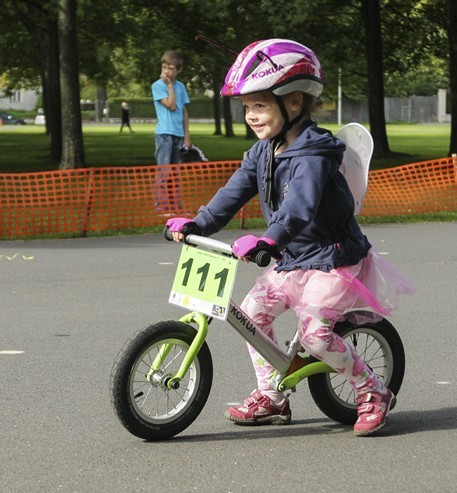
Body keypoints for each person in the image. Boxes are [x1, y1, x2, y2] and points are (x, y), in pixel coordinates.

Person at [165, 39, 414, 436]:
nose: (250, 115)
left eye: (259, 106)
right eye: (246, 107)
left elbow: (299, 207)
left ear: (294, 103)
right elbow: (231, 194)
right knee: (252, 313)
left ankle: (373, 391)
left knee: (316, 335)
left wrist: (269, 240)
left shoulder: (315, 154)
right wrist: (199, 224)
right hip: (292, 258)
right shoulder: (263, 151)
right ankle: (272, 397)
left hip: (332, 260)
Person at [152, 50, 191, 214]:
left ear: (178, 70)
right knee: (164, 172)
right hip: (164, 135)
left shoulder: (181, 86)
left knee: (175, 174)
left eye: (171, 68)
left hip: (179, 135)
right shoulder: (158, 85)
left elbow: (183, 111)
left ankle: (175, 206)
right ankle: (162, 206)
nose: (166, 71)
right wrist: (169, 85)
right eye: (164, 67)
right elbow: (171, 104)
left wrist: (187, 137)